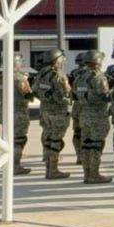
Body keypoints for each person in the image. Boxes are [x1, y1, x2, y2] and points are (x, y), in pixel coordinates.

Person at [76, 50, 113, 184]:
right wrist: (113, 92)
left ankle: (87, 174)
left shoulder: (80, 76)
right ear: (98, 62)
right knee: (96, 146)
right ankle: (94, 174)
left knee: (86, 145)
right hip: (98, 116)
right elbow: (105, 96)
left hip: (84, 115)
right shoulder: (99, 77)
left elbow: (75, 94)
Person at [33, 48, 71, 179]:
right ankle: (53, 170)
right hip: (58, 112)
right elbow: (65, 94)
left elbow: (35, 91)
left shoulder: (41, 74)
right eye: (61, 58)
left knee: (48, 140)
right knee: (55, 141)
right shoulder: (59, 75)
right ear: (57, 60)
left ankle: (49, 168)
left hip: (45, 111)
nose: (63, 61)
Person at [5, 53, 36, 175]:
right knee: (19, 140)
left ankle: (8, 164)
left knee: (9, 140)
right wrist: (31, 87)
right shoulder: (19, 79)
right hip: (18, 113)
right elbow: (29, 96)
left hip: (5, 113)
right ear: (16, 64)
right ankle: (15, 165)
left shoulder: (1, 78)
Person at [67, 52, 88, 165]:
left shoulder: (73, 73)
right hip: (86, 106)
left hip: (76, 105)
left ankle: (79, 156)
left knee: (77, 132)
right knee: (87, 132)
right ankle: (85, 156)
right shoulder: (89, 73)